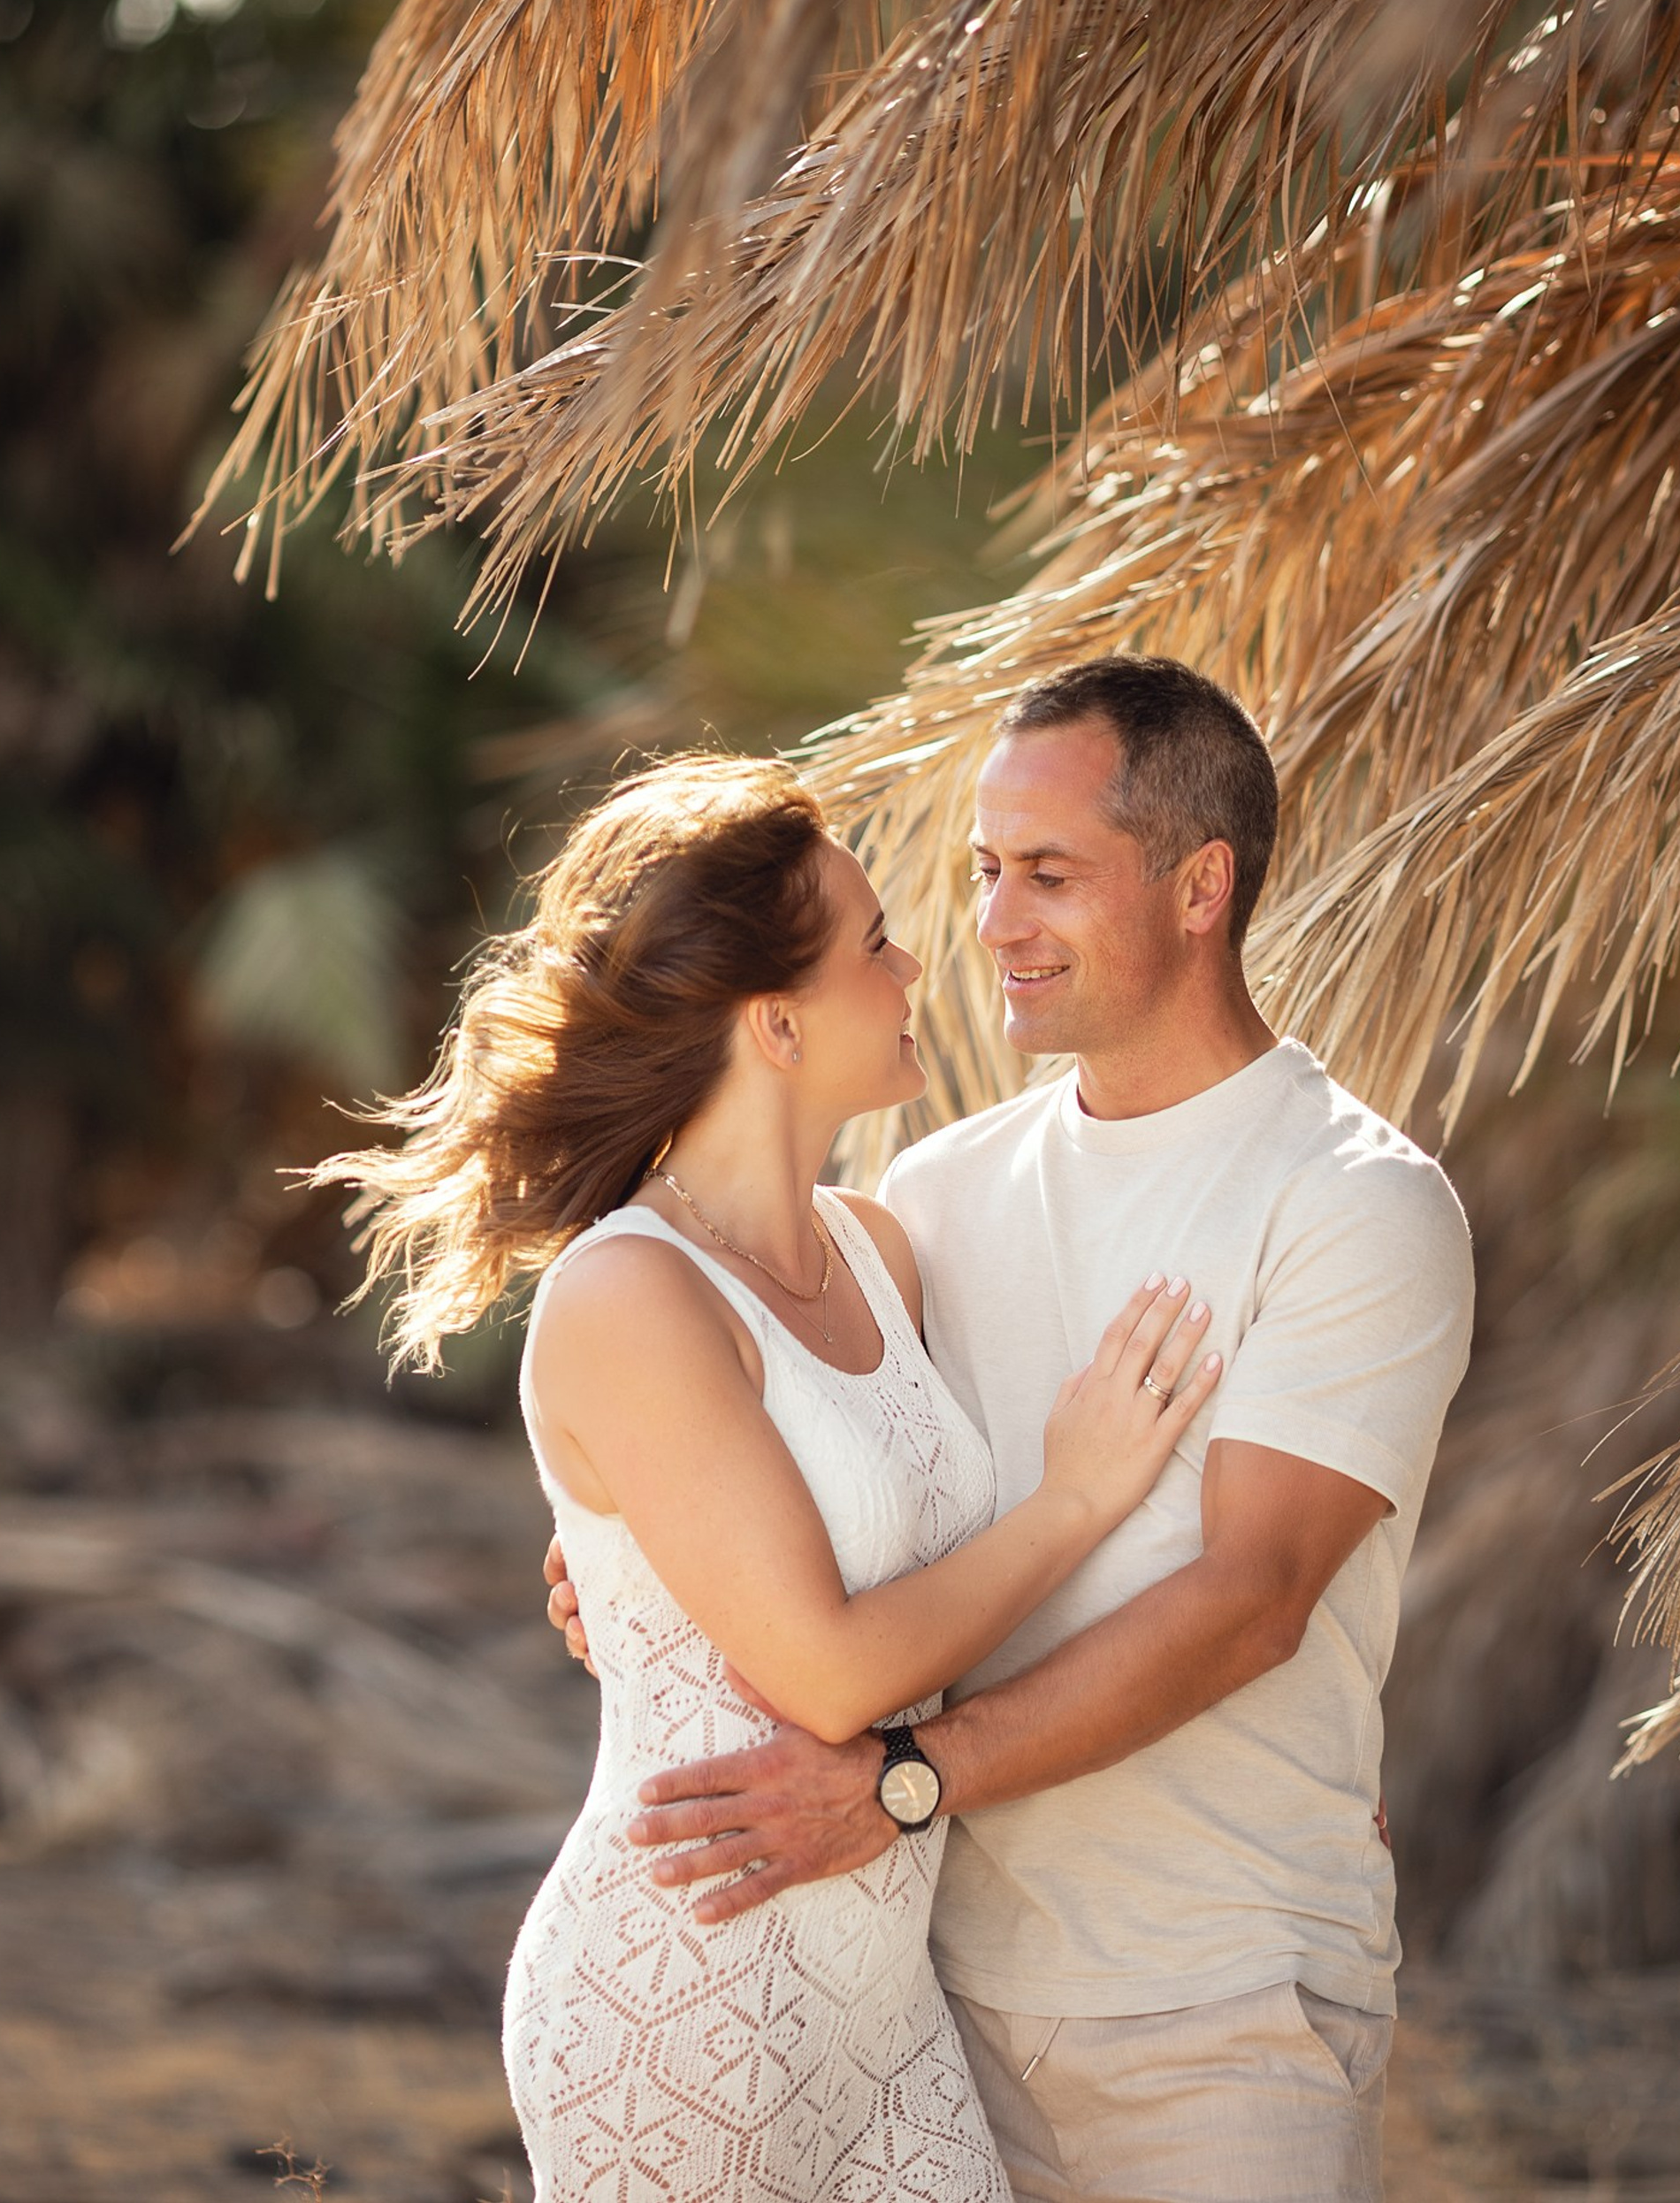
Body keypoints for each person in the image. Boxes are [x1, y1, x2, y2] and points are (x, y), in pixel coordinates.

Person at [549, 659, 1476, 2202]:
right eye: (986, 871)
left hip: (1221, 2007)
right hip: (926, 2012)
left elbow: (1251, 1602)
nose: (989, 923)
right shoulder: (933, 1199)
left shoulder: (1353, 1203)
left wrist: (901, 1780)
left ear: (1201, 887)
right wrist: (628, 1551)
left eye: (1048, 874)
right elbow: (812, 1457)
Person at [316, 753, 1225, 2202]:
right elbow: (827, 1673)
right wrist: (1073, 1499)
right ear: (779, 1021)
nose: (915, 965)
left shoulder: (881, 1252)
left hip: (882, 2004)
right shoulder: (630, 1293)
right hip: (684, 1993)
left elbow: (878, 1542)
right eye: (875, 943)